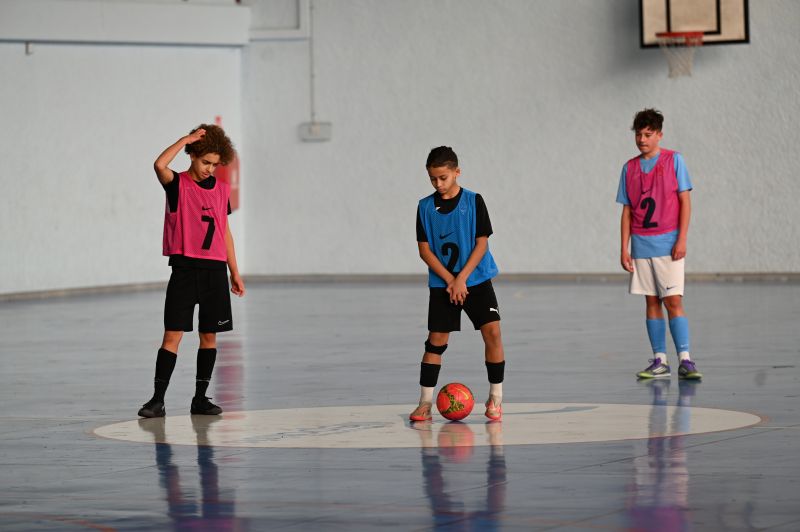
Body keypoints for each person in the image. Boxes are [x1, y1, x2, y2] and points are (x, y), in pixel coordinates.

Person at [138, 124, 245, 418]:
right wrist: (186, 139)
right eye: (205, 162)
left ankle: (200, 399)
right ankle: (157, 401)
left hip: (214, 272)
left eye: (215, 164)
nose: (210, 169)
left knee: (209, 337)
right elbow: (159, 164)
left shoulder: (221, 190)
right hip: (184, 270)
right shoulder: (177, 184)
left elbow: (224, 233)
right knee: (172, 335)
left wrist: (234, 271)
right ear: (193, 155)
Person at [410, 146, 506, 422]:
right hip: (443, 284)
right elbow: (425, 250)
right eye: (433, 179)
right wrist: (451, 280)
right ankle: (425, 403)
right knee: (436, 341)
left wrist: (462, 278)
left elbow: (481, 243)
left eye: (443, 177)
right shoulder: (425, 207)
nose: (438, 184)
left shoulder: (474, 201)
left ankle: (495, 398)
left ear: (456, 172)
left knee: (493, 333)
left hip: (475, 279)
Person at [616, 109, 702, 380]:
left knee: (673, 300)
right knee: (651, 301)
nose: (642, 139)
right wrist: (624, 248)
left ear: (659, 135)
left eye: (648, 134)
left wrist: (682, 238)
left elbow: (685, 201)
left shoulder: (674, 160)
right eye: (638, 134)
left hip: (667, 243)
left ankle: (686, 360)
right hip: (641, 246)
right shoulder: (629, 168)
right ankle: (660, 360)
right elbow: (627, 211)